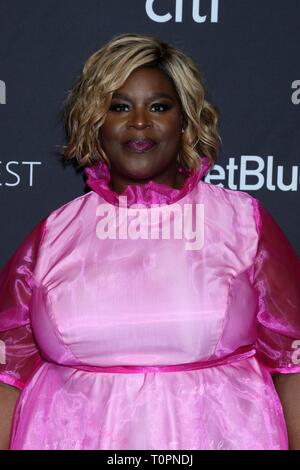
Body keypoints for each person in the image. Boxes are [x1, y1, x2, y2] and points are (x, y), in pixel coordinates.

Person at [0, 33, 300, 450]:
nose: (139, 122)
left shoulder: (242, 223)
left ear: (186, 120)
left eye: (159, 106)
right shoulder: (53, 234)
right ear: (94, 121)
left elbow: (293, 364)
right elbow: (7, 374)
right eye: (119, 106)